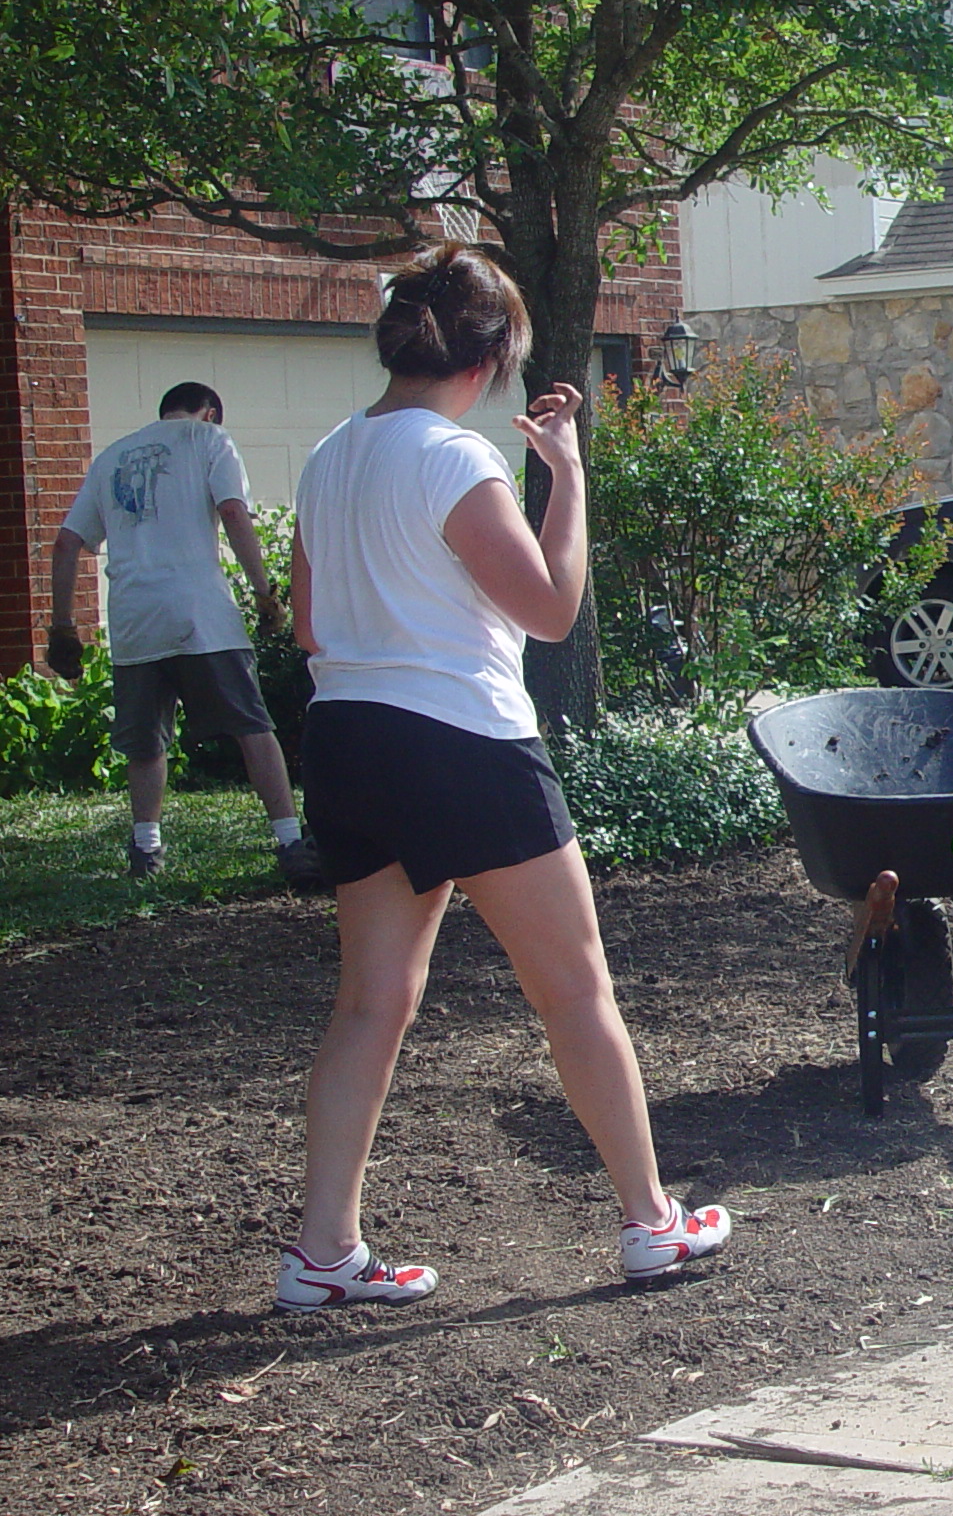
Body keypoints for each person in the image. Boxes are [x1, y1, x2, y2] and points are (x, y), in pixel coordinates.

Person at [276, 242, 729, 1313]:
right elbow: (552, 609)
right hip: (462, 744)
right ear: (488, 362)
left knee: (368, 1005)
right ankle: (651, 1223)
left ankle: (322, 1253)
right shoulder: (454, 459)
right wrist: (564, 473)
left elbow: (304, 626)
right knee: (573, 990)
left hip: (346, 740)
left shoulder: (328, 456)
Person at [49, 383, 320, 884]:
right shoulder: (210, 441)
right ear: (211, 412)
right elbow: (234, 512)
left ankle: (146, 848)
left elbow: (67, 544)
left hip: (134, 619)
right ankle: (288, 841)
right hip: (202, 614)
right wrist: (264, 591)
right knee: (251, 727)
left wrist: (62, 626)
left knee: (145, 742)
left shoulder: (111, 456)